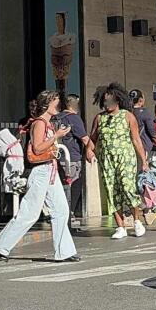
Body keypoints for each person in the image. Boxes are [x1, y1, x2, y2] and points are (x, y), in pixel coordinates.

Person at [0, 91, 78, 262]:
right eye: (56, 103)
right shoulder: (39, 123)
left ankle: (64, 251)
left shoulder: (48, 123)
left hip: (49, 170)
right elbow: (37, 149)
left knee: (61, 210)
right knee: (30, 212)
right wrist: (56, 137)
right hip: (40, 171)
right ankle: (1, 245)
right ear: (47, 104)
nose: (58, 106)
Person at [89, 83, 149, 239]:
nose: (108, 105)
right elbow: (93, 138)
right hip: (107, 160)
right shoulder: (99, 118)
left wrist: (144, 160)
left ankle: (136, 220)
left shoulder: (127, 116)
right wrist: (89, 151)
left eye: (111, 101)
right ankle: (120, 226)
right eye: (105, 101)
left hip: (126, 158)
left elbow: (136, 140)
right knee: (111, 190)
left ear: (118, 100)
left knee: (127, 187)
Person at [57, 94, 92, 222]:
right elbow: (84, 138)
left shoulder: (55, 118)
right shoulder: (74, 118)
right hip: (71, 158)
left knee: (61, 186)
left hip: (56, 157)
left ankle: (61, 212)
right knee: (74, 184)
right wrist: (92, 150)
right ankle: (69, 212)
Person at [129, 89, 156, 160]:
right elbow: (153, 134)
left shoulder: (127, 113)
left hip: (130, 148)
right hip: (143, 147)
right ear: (140, 100)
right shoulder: (145, 113)